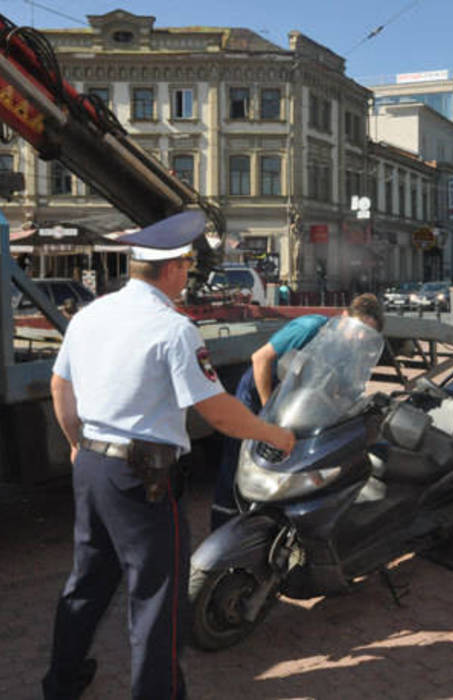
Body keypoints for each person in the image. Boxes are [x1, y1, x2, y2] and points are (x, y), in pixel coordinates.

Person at [42, 210, 295, 700]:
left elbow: (60, 386)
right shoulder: (173, 329)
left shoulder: (90, 314)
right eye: (185, 266)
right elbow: (219, 413)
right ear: (174, 268)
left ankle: (62, 681)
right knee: (156, 597)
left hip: (93, 466)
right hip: (142, 477)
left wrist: (76, 443)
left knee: (88, 581)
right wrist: (275, 435)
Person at [210, 292, 385, 529]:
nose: (361, 336)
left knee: (286, 464)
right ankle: (222, 526)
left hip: (292, 405)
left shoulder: (352, 351)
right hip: (260, 396)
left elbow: (345, 392)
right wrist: (267, 414)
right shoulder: (311, 327)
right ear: (344, 316)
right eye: (360, 327)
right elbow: (260, 359)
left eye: (368, 333)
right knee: (241, 464)